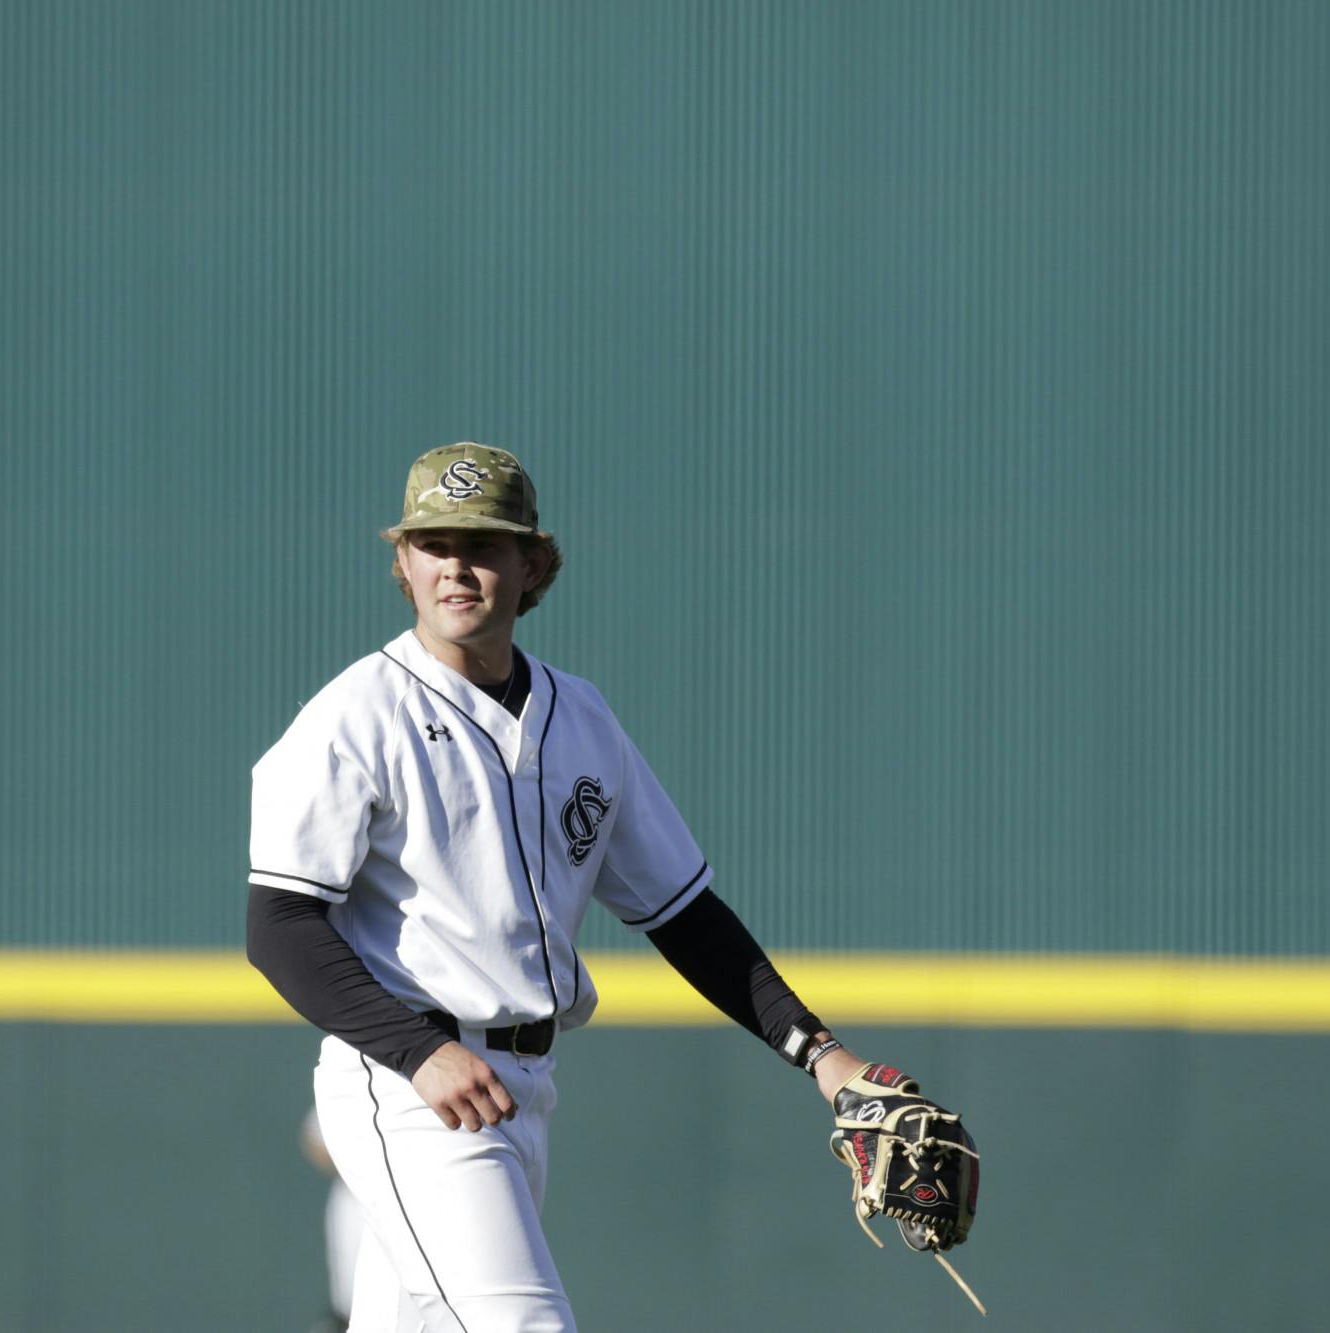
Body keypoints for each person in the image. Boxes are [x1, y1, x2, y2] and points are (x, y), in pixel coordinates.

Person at [248, 443, 908, 1332]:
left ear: (534, 565)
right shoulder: (358, 714)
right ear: (401, 561)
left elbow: (685, 915)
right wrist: (416, 1052)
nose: (456, 566)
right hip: (411, 1089)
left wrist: (826, 1059)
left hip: (524, 1086)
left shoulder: (582, 716)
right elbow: (279, 925)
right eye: (433, 542)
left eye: (482, 544)